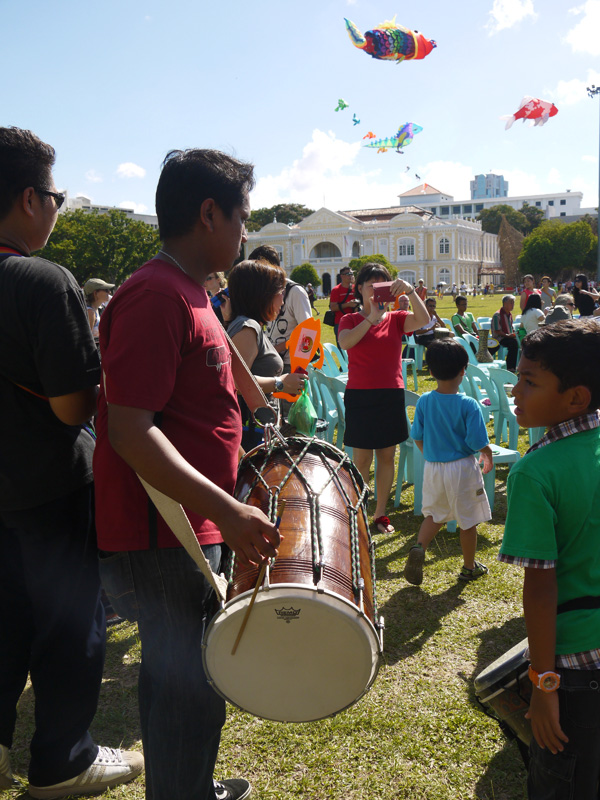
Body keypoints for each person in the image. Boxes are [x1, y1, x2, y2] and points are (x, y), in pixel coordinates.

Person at [94, 148, 281, 800]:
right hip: (163, 530)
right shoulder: (154, 294)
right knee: (183, 685)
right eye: (242, 217)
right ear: (209, 214)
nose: (245, 233)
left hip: (189, 523)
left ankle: (192, 787)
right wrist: (226, 510)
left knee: (197, 678)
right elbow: (131, 429)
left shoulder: (190, 291)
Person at [0, 127, 143, 798]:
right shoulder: (41, 280)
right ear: (30, 198)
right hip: (49, 485)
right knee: (69, 620)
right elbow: (71, 408)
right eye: (55, 196)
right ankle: (63, 760)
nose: (56, 208)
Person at [498, 320, 600, 799]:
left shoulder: (534, 472)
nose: (515, 390)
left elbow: (541, 590)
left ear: (576, 398)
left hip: (575, 669)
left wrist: (543, 685)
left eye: (529, 381)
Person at [338, 263, 429, 534]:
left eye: (383, 286)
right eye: (372, 286)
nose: (377, 291)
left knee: (387, 457)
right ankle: (358, 513)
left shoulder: (397, 318)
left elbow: (423, 319)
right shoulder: (350, 319)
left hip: (390, 394)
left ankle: (380, 513)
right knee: (362, 460)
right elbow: (345, 342)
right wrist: (371, 318)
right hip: (360, 396)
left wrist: (410, 292)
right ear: (360, 289)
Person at [403, 338, 493, 586]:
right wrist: (487, 453)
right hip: (463, 468)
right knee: (468, 521)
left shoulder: (424, 401)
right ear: (463, 370)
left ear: (431, 372)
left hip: (433, 468)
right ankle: (469, 567)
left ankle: (419, 547)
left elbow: (417, 435)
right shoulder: (468, 404)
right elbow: (476, 440)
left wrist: (431, 454)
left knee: (434, 515)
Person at [227, 259, 305, 450]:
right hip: (250, 435)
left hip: (258, 430)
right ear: (262, 294)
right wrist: (280, 383)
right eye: (280, 293)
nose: (282, 301)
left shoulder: (248, 325)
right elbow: (234, 382)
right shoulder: (248, 328)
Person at [248, 245, 312, 372]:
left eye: (258, 271)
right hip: (268, 362)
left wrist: (299, 368)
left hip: (290, 365)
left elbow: (308, 333)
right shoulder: (264, 291)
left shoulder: (295, 292)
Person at [329, 266, 360, 343]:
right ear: (342, 276)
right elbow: (333, 308)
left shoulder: (356, 288)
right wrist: (348, 304)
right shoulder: (336, 290)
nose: (351, 276)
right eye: (348, 274)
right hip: (340, 323)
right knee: (342, 347)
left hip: (355, 322)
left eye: (352, 273)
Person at [84, 278, 115, 347]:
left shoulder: (100, 308)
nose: (109, 292)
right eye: (106, 290)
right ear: (95, 293)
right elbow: (87, 340)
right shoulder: (90, 312)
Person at [491, 294, 519, 371]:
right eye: (511, 303)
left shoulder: (509, 315)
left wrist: (513, 333)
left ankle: (514, 366)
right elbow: (497, 331)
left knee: (517, 341)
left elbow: (510, 327)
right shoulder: (497, 315)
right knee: (513, 343)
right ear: (505, 303)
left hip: (507, 337)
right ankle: (510, 367)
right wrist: (508, 335)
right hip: (499, 339)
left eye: (513, 303)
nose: (513, 305)